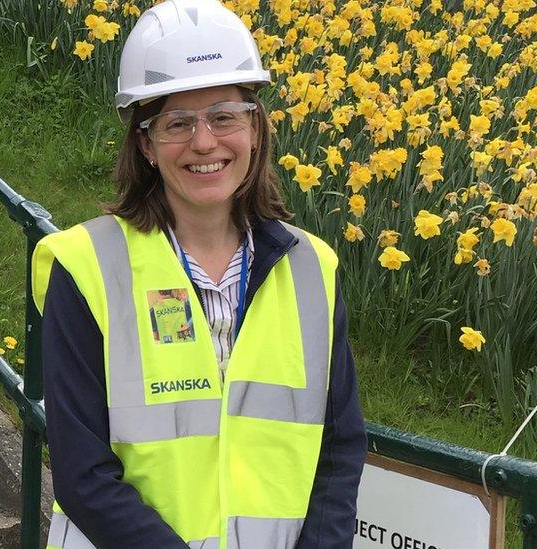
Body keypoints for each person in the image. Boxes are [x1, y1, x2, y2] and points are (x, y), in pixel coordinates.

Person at [31, 0, 367, 547]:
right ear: (145, 143)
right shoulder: (86, 265)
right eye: (178, 123)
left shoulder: (313, 268)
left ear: (255, 128)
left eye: (224, 116)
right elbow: (83, 472)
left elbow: (338, 451)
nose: (205, 143)